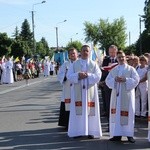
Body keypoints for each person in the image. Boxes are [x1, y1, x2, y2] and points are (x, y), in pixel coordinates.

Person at [67, 45, 102, 139]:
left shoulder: (94, 64)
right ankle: (77, 131)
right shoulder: (74, 64)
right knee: (78, 111)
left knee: (90, 111)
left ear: (89, 52)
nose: (85, 52)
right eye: (83, 51)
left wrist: (88, 75)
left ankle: (91, 131)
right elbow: (69, 76)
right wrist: (78, 75)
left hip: (90, 92)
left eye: (87, 51)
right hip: (78, 92)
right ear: (80, 52)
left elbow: (98, 76)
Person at [105, 51, 139, 143]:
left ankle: (129, 135)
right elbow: (108, 80)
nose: (121, 59)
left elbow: (136, 80)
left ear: (125, 58)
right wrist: (115, 80)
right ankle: (117, 134)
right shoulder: (114, 69)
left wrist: (125, 80)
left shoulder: (131, 69)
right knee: (117, 115)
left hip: (127, 96)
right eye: (119, 57)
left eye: (123, 57)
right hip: (116, 96)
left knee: (128, 114)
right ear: (117, 58)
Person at [57, 48, 78, 129]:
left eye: (74, 53)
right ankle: (67, 123)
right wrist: (65, 75)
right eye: (70, 54)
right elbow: (60, 75)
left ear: (77, 54)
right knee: (67, 104)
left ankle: (77, 123)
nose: (72, 55)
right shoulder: (65, 64)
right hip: (68, 88)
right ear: (68, 55)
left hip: (77, 87)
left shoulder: (80, 63)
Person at [99, 45, 118, 122]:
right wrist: (102, 81)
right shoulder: (106, 60)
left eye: (113, 52)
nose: (112, 54)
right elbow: (103, 71)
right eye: (110, 52)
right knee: (108, 103)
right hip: (107, 84)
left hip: (117, 85)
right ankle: (109, 122)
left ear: (116, 51)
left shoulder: (119, 59)